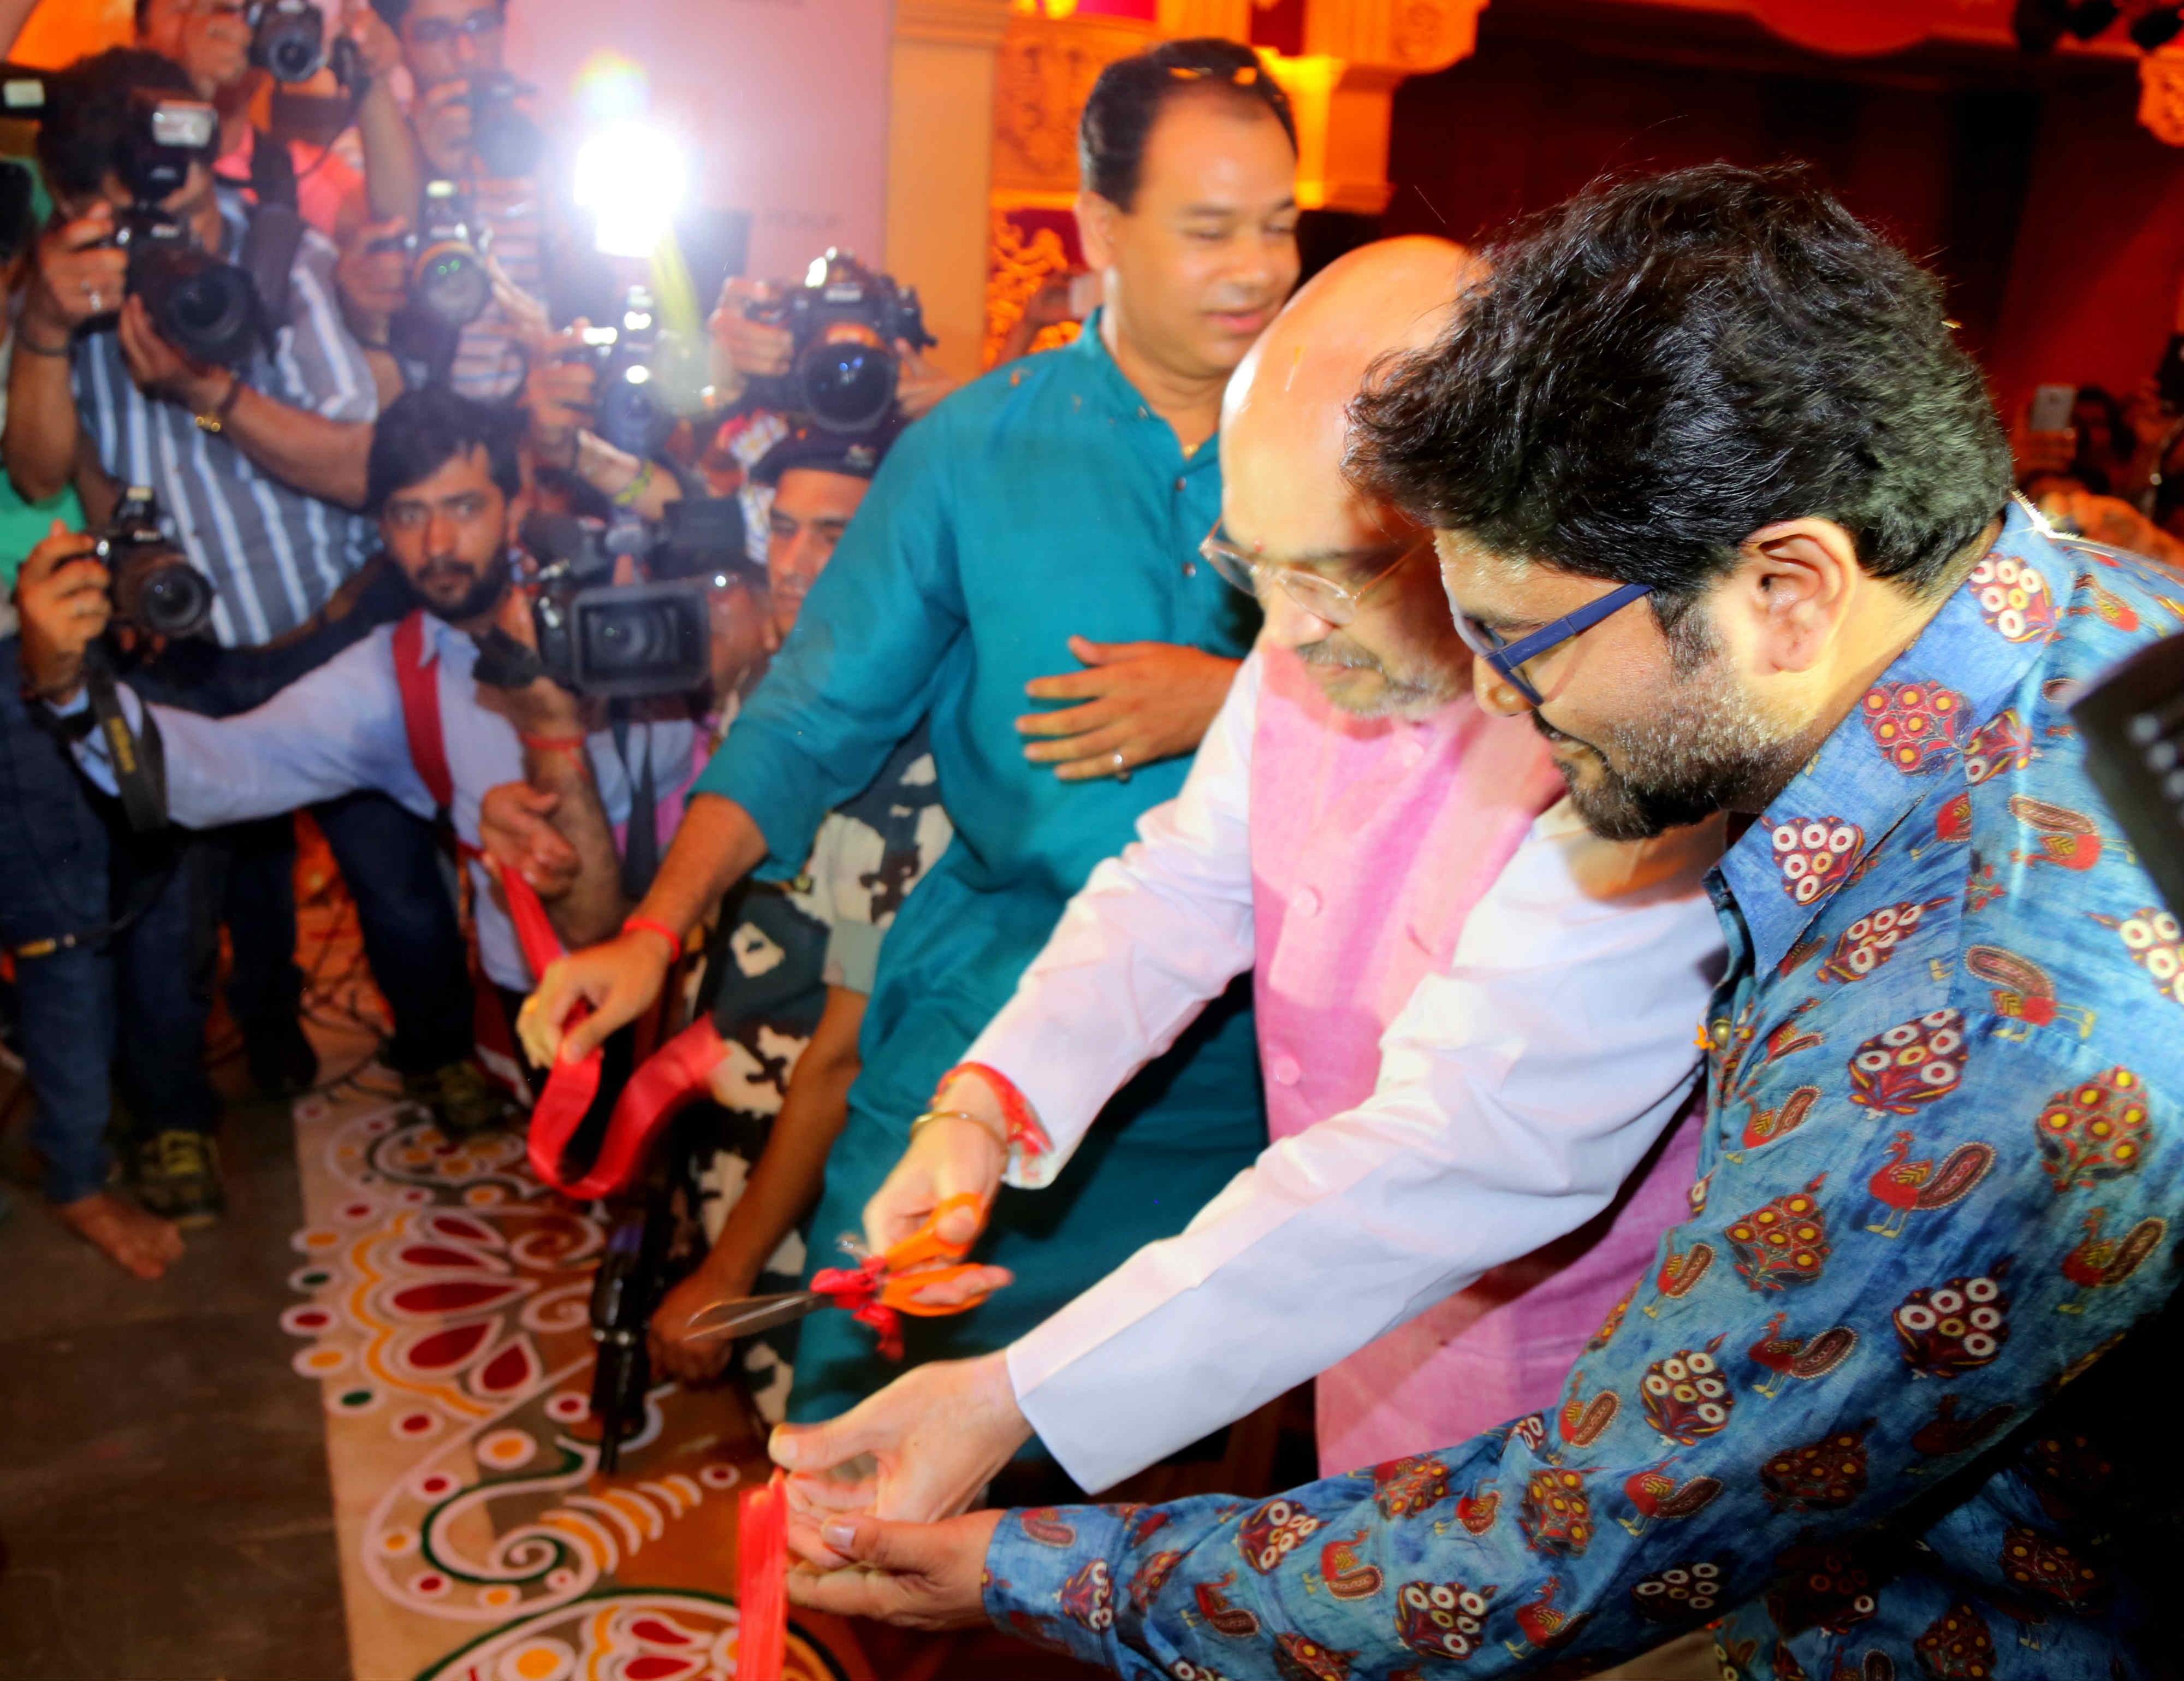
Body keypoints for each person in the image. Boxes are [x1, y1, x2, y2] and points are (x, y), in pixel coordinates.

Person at [784, 165, 2184, 1678]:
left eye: (1515, 639)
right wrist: (997, 1099)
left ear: (1790, 585)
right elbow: (1185, 877)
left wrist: (1026, 1546)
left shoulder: (1975, 1036)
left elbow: (1550, 1540)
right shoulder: (2070, 615)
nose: (1499, 696)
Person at [766, 238, 1723, 1542]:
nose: (1283, 628)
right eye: (1253, 568)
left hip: (1574, 1391)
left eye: (1328, 573)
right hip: (1343, 1321)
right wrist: (987, 1105)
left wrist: (1009, 1396)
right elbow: (1181, 885)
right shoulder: (1309, 642)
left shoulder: (1623, 728)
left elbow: (1454, 1149)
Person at [521, 37, 1300, 1435]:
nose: (1257, 266)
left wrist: (1231, 697)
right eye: (1208, 229)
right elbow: (814, 712)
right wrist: (656, 926)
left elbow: (1464, 722)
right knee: (855, 1469)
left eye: (1278, 224)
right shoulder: (976, 453)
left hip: (1251, 1079)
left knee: (1174, 1535)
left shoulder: (1359, 453)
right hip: (979, 1042)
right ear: (1101, 224)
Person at [4, 48, 480, 1211]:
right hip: (189, 655)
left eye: (182, 197)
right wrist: (48, 332)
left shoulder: (290, 263)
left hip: (335, 625)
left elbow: (365, 465)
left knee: (398, 882)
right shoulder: (70, 292)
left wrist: (208, 395)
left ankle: (437, 1051)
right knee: (171, 917)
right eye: (127, 207)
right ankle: (173, 1117)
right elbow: (38, 470)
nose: (170, 236)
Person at [14, 387, 694, 1045]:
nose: (436, 543)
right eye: (407, 515)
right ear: (380, 530)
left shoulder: (623, 584)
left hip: (699, 951)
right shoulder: (395, 680)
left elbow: (743, 546)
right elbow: (221, 771)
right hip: (548, 988)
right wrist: (69, 686)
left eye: (463, 507)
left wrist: (587, 456)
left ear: (514, 506)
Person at [0, 158, 182, 1276]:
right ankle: (69, 1156)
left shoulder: (43, 303)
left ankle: (74, 1165)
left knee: (64, 920)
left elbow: (41, 473)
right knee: (58, 927)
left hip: (41, 637)